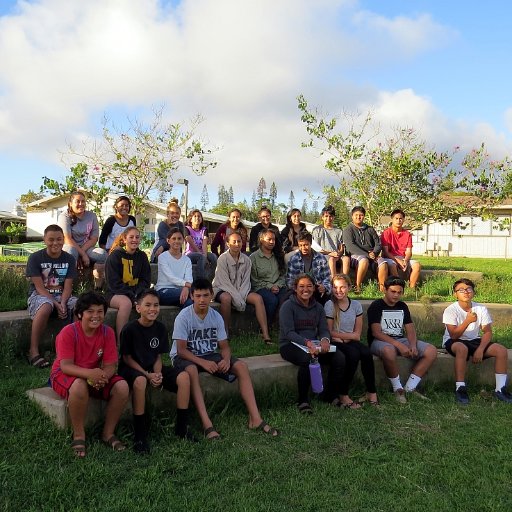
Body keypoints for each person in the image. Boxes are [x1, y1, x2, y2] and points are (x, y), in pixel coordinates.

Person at [171, 277, 279, 439]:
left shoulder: (216, 316)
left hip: (209, 354)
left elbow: (224, 347)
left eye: (205, 295)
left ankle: (255, 418)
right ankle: (207, 423)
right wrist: (204, 363)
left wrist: (226, 360)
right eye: (198, 296)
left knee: (241, 366)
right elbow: (181, 350)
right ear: (191, 296)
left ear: (211, 296)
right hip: (186, 356)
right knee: (192, 370)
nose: (202, 300)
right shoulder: (184, 316)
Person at [50, 291, 129, 458]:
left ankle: (108, 433)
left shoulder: (107, 332)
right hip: (67, 373)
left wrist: (102, 377)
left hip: (93, 373)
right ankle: (79, 434)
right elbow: (66, 366)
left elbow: (110, 365)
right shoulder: (68, 332)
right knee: (78, 386)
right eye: (90, 312)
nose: (96, 316)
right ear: (80, 314)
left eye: (100, 311)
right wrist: (91, 375)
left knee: (122, 387)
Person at [118, 289, 196, 453]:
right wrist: (147, 375)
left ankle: (182, 427)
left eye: (156, 305)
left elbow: (158, 356)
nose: (153, 309)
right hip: (132, 369)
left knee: (183, 377)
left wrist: (158, 374)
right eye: (148, 305)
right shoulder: (129, 329)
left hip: (152, 368)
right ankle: (140, 435)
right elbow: (127, 359)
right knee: (140, 382)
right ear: (138, 308)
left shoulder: (160, 328)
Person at [279, 274, 345, 414]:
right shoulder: (287, 306)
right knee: (307, 359)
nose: (305, 290)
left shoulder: (318, 307)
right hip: (290, 345)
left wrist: (325, 340)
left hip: (313, 345)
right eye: (301, 286)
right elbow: (289, 332)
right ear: (295, 289)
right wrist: (306, 342)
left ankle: (330, 395)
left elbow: (323, 329)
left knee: (338, 357)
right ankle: (303, 400)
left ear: (314, 288)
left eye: (309, 286)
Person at [367, 277, 437, 403]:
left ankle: (410, 387)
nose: (396, 295)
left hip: (399, 339)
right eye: (393, 291)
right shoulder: (376, 305)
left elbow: (410, 329)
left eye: (399, 292)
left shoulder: (402, 305)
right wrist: (399, 345)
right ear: (385, 290)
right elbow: (376, 332)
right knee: (389, 351)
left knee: (431, 350)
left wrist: (413, 345)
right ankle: (397, 388)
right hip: (380, 341)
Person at [442, 278, 512, 405]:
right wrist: (468, 320)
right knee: (462, 348)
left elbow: (487, 332)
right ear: (455, 294)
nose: (466, 292)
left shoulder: (481, 308)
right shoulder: (451, 310)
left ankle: (500, 389)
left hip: (474, 341)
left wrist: (480, 349)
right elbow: (454, 335)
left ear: (473, 292)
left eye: (469, 289)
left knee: (501, 350)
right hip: (454, 341)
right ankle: (460, 387)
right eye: (461, 290)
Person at [26, 224, 78, 368]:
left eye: (59, 239)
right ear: (45, 240)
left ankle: (69, 350)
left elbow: (68, 287)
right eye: (51, 239)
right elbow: (39, 288)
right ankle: (33, 351)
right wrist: (56, 304)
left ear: (63, 240)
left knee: (79, 306)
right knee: (46, 306)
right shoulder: (35, 258)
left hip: (62, 296)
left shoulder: (69, 259)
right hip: (40, 295)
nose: (55, 243)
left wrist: (62, 302)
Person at [325, 274, 379, 408]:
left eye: (342, 287)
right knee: (353, 354)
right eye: (335, 287)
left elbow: (357, 335)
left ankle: (371, 392)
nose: (339, 290)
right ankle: (343, 394)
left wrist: (344, 337)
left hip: (345, 339)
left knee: (366, 353)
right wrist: (345, 337)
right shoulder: (330, 304)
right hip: (335, 342)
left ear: (349, 287)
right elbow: (329, 332)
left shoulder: (355, 305)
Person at [213, 232, 272, 344]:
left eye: (239, 241)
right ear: (227, 244)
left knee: (258, 298)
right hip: (223, 288)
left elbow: (246, 281)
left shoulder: (246, 260)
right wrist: (237, 299)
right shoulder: (222, 259)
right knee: (226, 298)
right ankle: (224, 333)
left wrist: (240, 296)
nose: (237, 244)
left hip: (241, 290)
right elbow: (224, 282)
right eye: (233, 241)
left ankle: (265, 334)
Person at [105, 226, 151, 344]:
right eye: (131, 237)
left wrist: (137, 294)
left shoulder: (142, 256)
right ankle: (122, 342)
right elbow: (114, 284)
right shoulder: (115, 256)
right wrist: (132, 297)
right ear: (124, 239)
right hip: (115, 293)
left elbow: (145, 280)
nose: (134, 240)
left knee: (150, 301)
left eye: (137, 237)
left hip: (136, 293)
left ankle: (146, 339)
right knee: (126, 303)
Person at [58, 190, 107, 290]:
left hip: (87, 247)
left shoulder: (91, 216)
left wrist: (82, 252)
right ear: (70, 204)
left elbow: (94, 238)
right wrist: (83, 255)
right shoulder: (64, 216)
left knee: (102, 254)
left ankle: (98, 288)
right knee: (71, 253)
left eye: (83, 201)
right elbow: (67, 239)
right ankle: (66, 287)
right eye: (78, 201)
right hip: (70, 246)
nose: (81, 204)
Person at [343, 206, 388, 293]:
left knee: (383, 263)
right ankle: (357, 286)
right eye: (356, 215)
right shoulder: (348, 229)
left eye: (361, 215)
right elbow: (350, 246)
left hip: (372, 255)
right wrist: (367, 255)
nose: (358, 217)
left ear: (364, 216)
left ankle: (382, 289)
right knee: (364, 260)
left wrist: (374, 253)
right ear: (352, 216)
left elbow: (378, 243)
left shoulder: (370, 229)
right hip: (355, 255)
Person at [250, 228, 287, 331]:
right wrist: (270, 287)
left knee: (287, 298)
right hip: (260, 287)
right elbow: (254, 280)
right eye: (269, 239)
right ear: (261, 240)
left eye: (274, 239)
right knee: (272, 300)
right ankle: (266, 327)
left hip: (278, 286)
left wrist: (278, 285)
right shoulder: (254, 258)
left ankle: (283, 328)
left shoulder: (278, 256)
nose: (272, 242)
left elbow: (283, 275)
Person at [286, 232, 331, 306]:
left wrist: (324, 287)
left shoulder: (321, 258)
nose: (303, 248)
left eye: (306, 245)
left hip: (316, 289)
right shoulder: (294, 259)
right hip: (299, 289)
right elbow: (290, 279)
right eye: (300, 245)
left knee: (327, 300)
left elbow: (327, 277)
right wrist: (297, 289)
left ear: (310, 244)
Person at [381, 209, 421, 289]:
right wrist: (398, 261)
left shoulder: (407, 234)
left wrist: (405, 260)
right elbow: (386, 252)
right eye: (396, 218)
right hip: (390, 257)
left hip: (403, 258)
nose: (398, 221)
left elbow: (409, 251)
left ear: (403, 220)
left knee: (417, 265)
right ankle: (398, 287)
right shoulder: (386, 233)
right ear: (392, 219)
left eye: (400, 218)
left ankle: (411, 288)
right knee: (392, 265)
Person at [154, 228, 193, 308]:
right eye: (173, 238)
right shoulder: (163, 257)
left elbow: (189, 278)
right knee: (195, 294)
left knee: (189, 303)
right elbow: (171, 277)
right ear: (168, 241)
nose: (177, 241)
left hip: (182, 291)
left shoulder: (187, 260)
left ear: (183, 241)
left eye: (179, 238)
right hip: (163, 291)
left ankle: (184, 321)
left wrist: (186, 287)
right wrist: (187, 285)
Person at [311, 205, 350, 278]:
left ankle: (343, 281)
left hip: (336, 255)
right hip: (323, 255)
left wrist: (339, 252)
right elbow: (316, 249)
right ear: (322, 217)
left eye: (330, 216)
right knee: (331, 259)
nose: (328, 218)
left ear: (334, 217)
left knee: (346, 259)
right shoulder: (317, 230)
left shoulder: (338, 231)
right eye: (326, 216)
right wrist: (330, 253)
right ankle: (333, 282)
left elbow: (341, 247)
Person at [183, 209, 217, 278]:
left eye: (199, 216)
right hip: (189, 254)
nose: (197, 218)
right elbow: (192, 244)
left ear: (201, 219)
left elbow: (204, 245)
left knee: (213, 256)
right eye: (195, 216)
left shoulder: (204, 230)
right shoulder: (187, 229)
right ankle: (201, 281)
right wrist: (203, 256)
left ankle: (211, 278)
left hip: (201, 253)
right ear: (190, 219)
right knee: (200, 257)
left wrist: (205, 255)